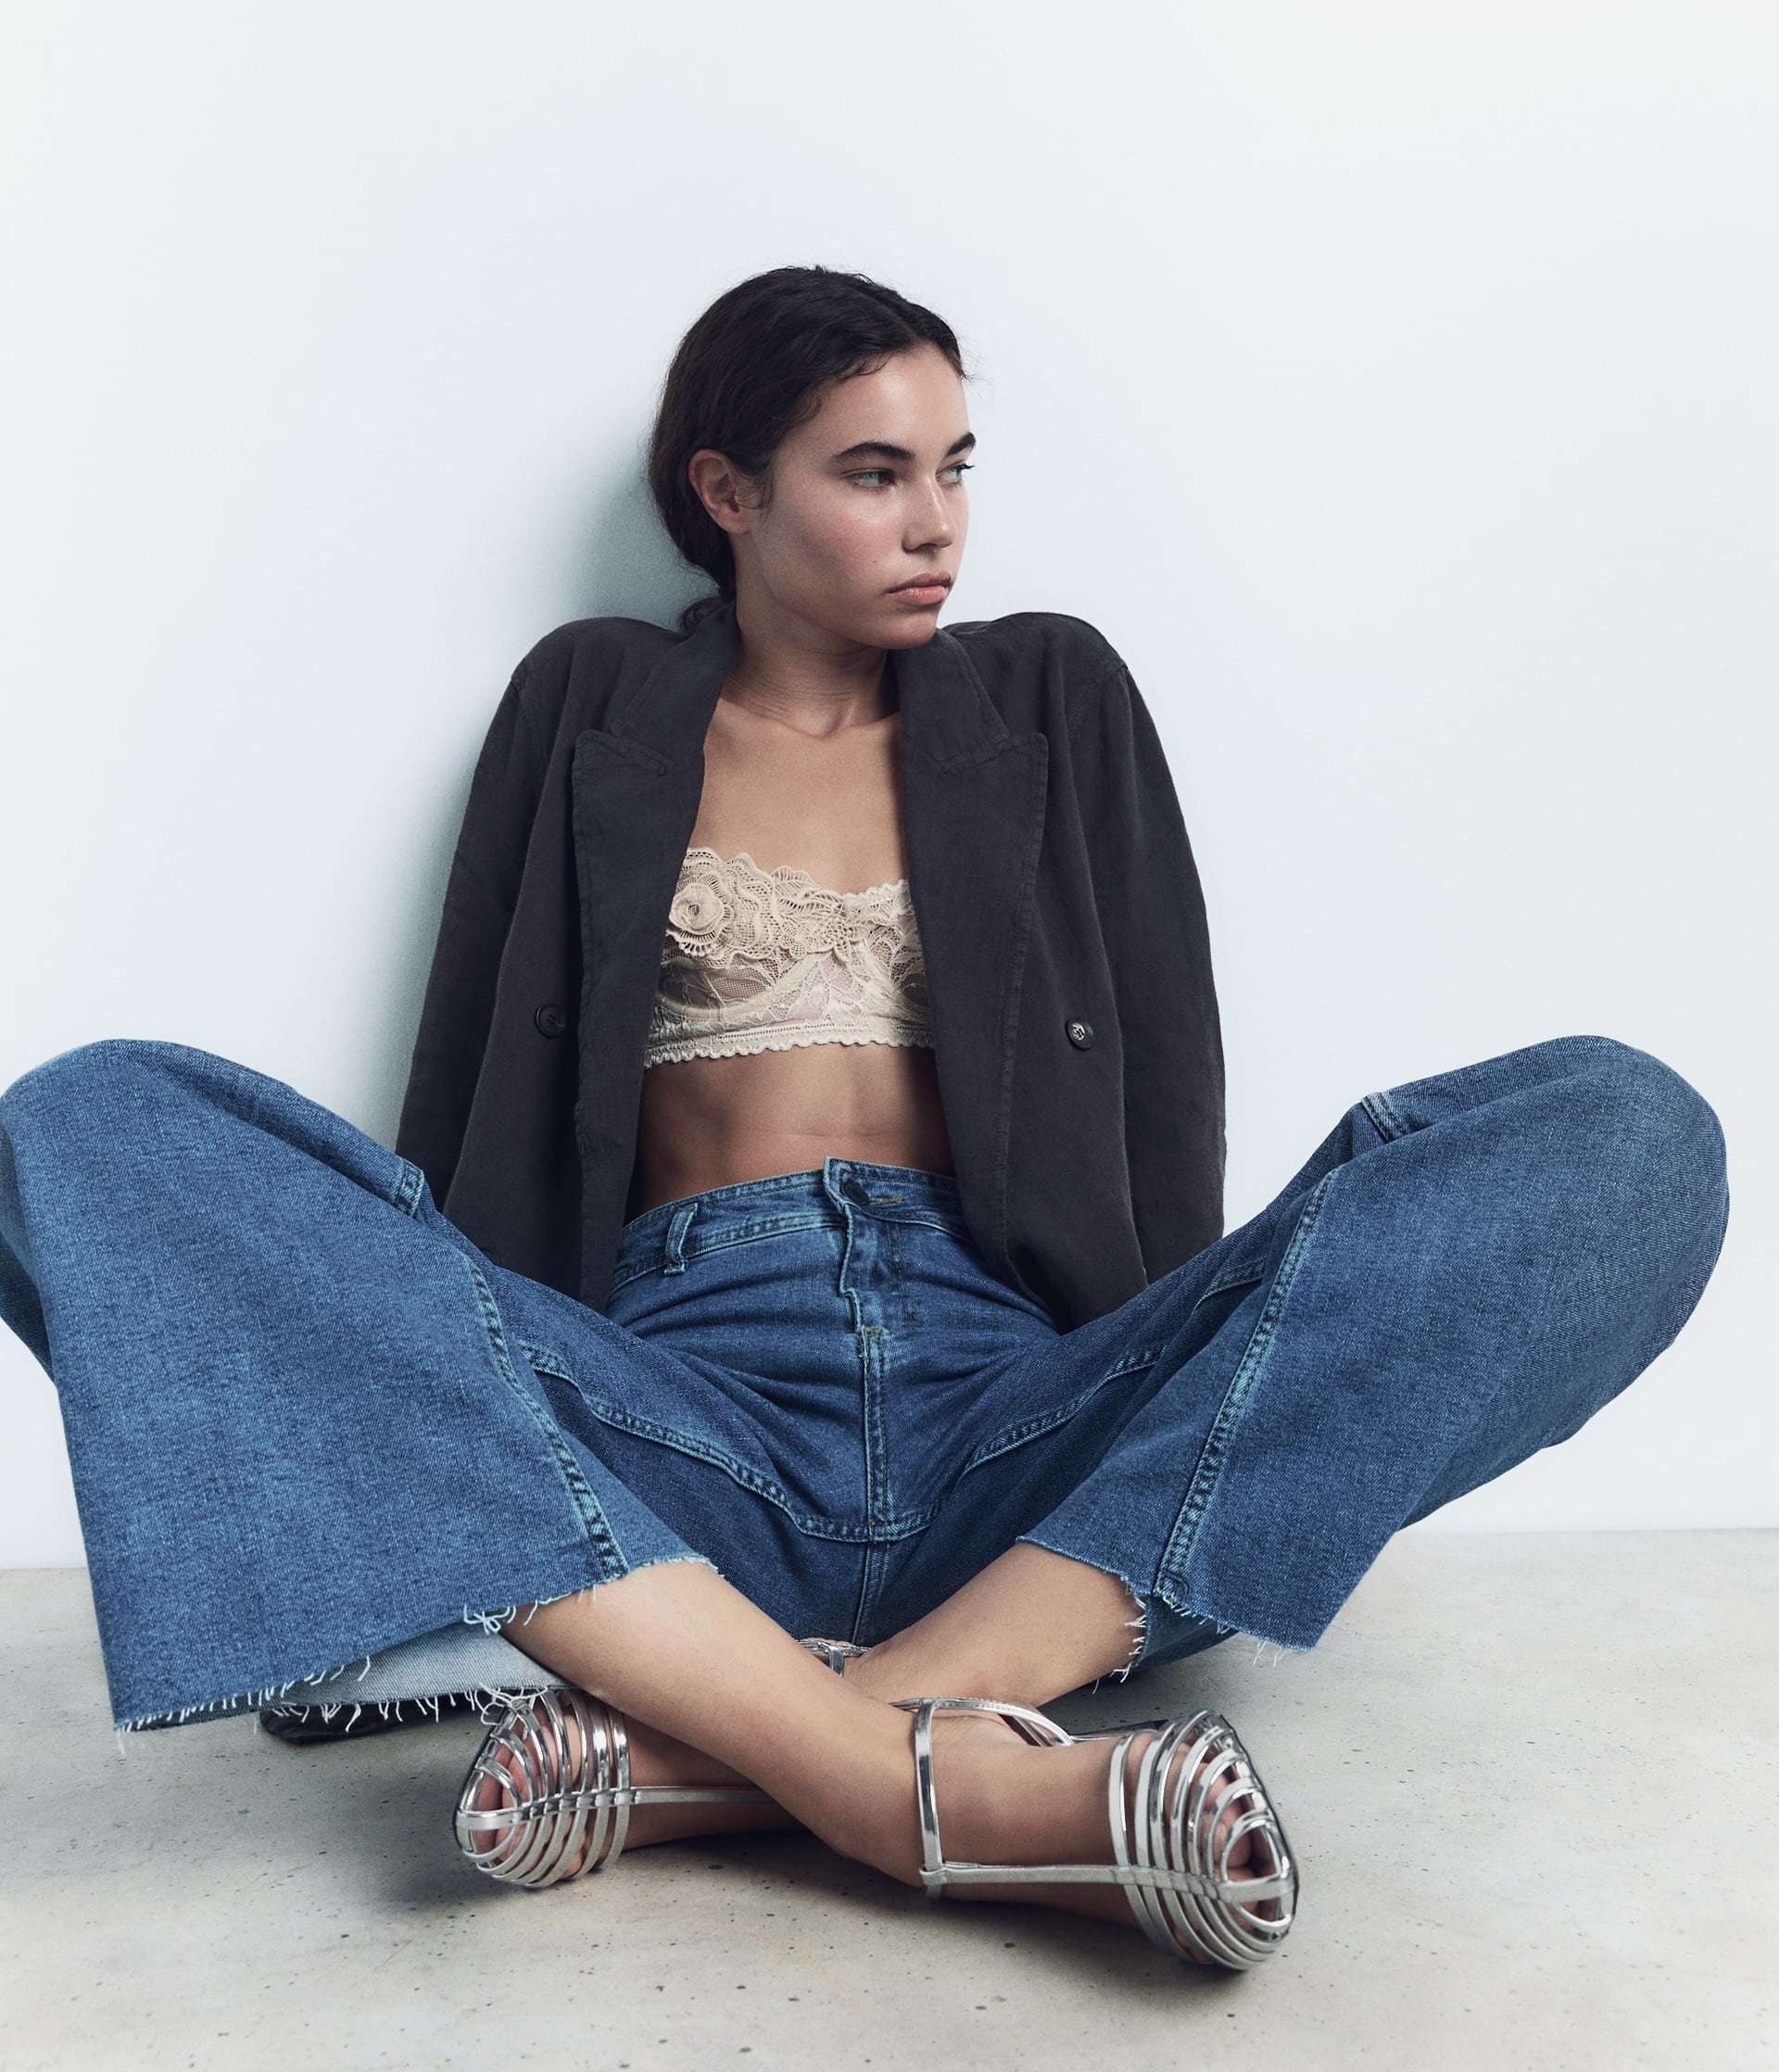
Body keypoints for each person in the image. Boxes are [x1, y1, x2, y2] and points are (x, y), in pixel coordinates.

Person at [0, 266, 1729, 1977]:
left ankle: (749, 1742)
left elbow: (1164, 1081)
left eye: (956, 468)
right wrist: (440, 1430)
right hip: (668, 1432)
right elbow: (471, 1086)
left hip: (1025, 1442)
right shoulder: (591, 700)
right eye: (874, 472)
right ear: (729, 491)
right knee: (84, 1128)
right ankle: (888, 1775)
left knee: (1629, 1133)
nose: (936, 523)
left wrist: (1187, 1421)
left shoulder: (1052, 695)